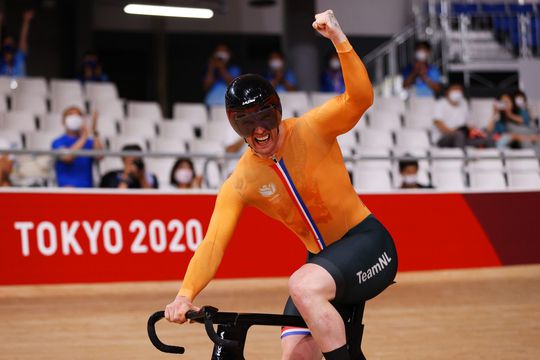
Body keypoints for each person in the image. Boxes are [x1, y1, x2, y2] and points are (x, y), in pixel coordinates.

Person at [165, 10, 398, 360]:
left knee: (302, 284)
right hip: (323, 262)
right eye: (246, 123)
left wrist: (339, 39)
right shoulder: (242, 181)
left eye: (265, 116)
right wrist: (186, 294)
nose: (259, 129)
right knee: (294, 355)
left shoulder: (312, 128)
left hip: (367, 243)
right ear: (235, 127)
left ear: (277, 111)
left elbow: (360, 99)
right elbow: (213, 243)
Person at [51, 107, 104, 188]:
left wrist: (94, 132)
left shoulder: (89, 142)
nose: (74, 118)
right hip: (66, 189)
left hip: (87, 190)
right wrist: (84, 137)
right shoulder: (57, 142)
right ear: (63, 121)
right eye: (70, 115)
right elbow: (67, 157)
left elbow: (100, 156)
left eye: (78, 115)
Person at [433, 84, 493, 148]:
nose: (457, 92)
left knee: (487, 138)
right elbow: (438, 123)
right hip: (444, 138)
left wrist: (478, 133)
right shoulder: (441, 103)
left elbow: (470, 125)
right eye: (455, 89)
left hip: (463, 138)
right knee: (459, 135)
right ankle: (461, 157)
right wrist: (453, 132)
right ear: (448, 92)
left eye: (459, 90)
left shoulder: (464, 103)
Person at [0, 9, 34, 77]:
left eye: (10, 43)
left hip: (21, 86)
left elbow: (23, 38)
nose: (8, 45)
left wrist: (26, 21)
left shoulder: (19, 56)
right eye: (6, 43)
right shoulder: (1, 60)